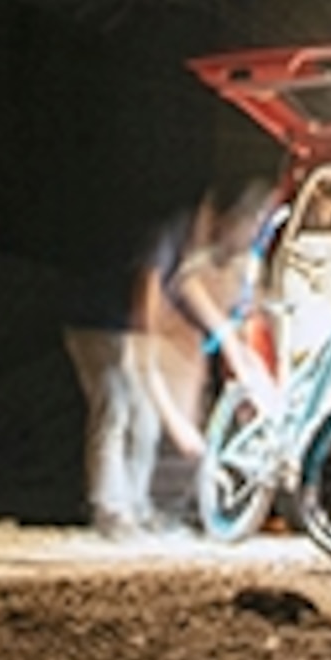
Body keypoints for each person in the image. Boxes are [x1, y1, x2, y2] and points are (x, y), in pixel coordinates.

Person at [60, 184, 266, 540]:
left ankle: (137, 508)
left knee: (145, 420)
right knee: (115, 411)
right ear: (222, 217)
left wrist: (236, 352)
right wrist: (175, 413)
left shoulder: (198, 246)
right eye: (247, 227)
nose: (246, 239)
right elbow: (146, 309)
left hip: (126, 328)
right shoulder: (171, 235)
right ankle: (109, 510)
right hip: (97, 322)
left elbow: (200, 304)